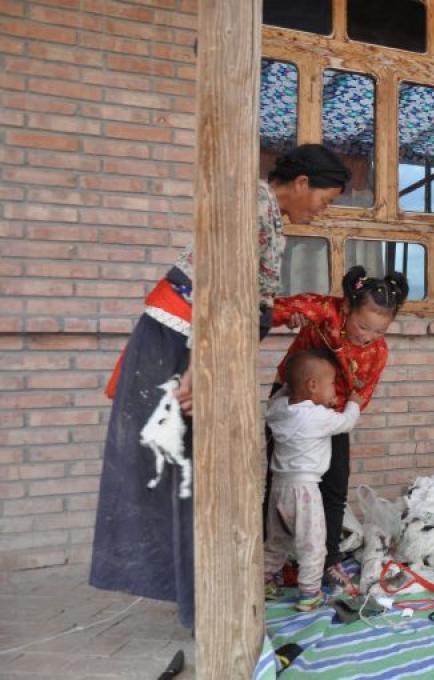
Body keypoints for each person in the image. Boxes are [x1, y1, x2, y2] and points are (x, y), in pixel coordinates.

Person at [90, 144, 351, 628]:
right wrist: (199, 365)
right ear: (300, 184)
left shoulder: (268, 216)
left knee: (202, 468)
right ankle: (203, 605)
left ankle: (205, 600)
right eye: (326, 198)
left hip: (200, 345)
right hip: (182, 342)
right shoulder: (251, 205)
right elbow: (218, 284)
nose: (324, 210)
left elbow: (244, 300)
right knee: (189, 468)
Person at [267, 265, 409, 593]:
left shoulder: (378, 351)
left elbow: (362, 394)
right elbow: (272, 310)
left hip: (332, 416)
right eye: (362, 327)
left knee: (334, 486)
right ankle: (271, 563)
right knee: (276, 484)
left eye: (378, 332)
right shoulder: (325, 311)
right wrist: (285, 318)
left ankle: (327, 560)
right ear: (347, 308)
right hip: (293, 405)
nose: (367, 337)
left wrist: (341, 410)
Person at [263, 350, 362, 611]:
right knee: (312, 543)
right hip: (305, 490)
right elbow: (347, 422)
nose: (334, 391)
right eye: (331, 384)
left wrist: (289, 386)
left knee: (277, 540)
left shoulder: (278, 410)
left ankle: (264, 580)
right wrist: (353, 401)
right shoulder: (317, 417)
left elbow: (279, 397)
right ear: (313, 385)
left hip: (278, 489)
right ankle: (309, 593)